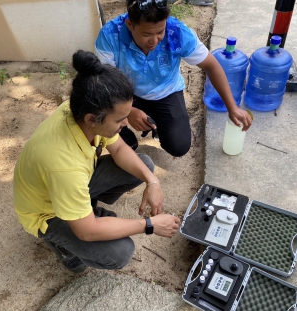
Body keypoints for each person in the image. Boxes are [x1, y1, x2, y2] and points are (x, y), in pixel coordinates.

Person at [13, 50, 180, 272]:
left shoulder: (81, 108)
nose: (125, 125)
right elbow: (87, 231)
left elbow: (119, 147)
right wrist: (149, 225)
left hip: (67, 185)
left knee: (144, 166)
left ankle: (85, 208)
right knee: (119, 253)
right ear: (92, 119)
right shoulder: (64, 166)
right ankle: (63, 240)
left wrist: (152, 181)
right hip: (47, 211)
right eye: (121, 120)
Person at [95, 0, 253, 157]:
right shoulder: (110, 35)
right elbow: (105, 82)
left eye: (160, 32)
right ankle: (125, 138)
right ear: (129, 25)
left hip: (165, 91)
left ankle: (156, 125)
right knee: (95, 103)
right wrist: (128, 112)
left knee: (179, 146)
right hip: (124, 92)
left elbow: (212, 66)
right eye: (147, 34)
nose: (155, 41)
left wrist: (233, 107)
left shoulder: (177, 32)